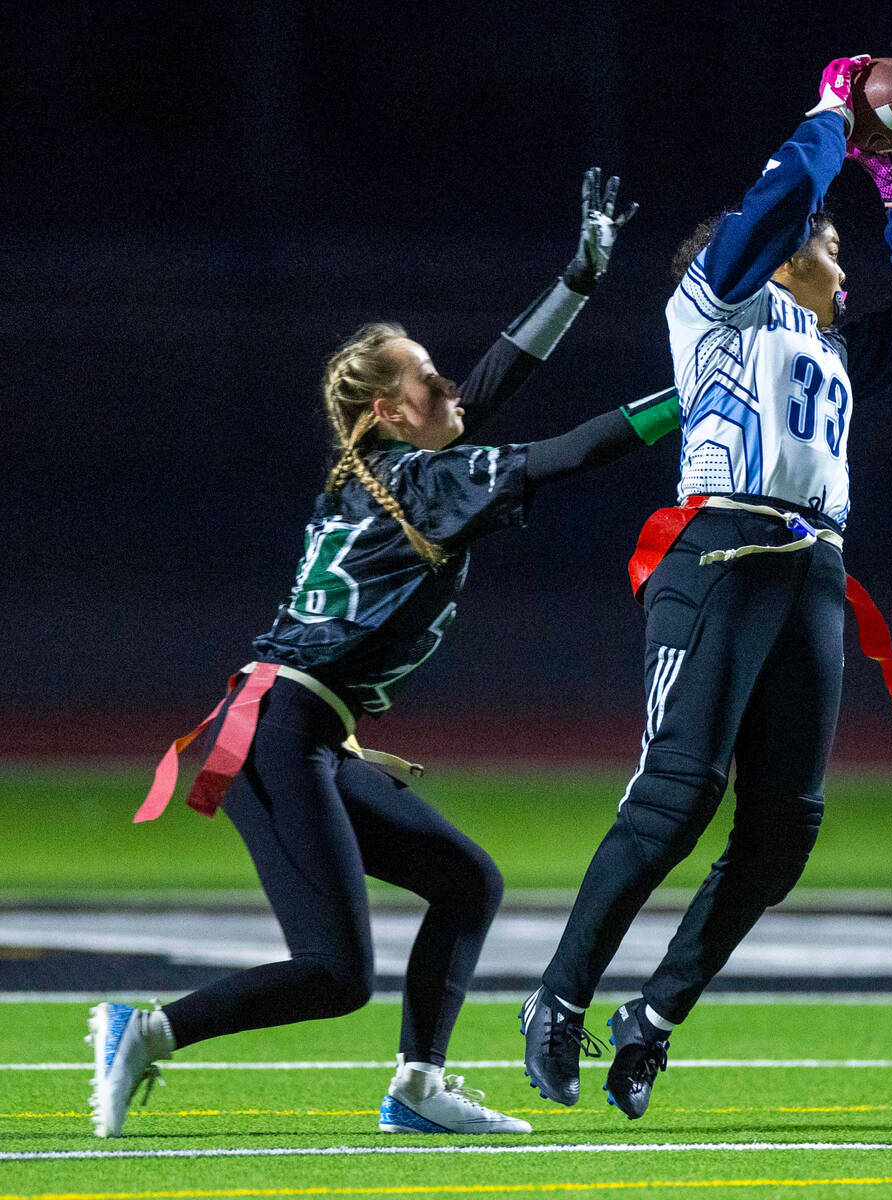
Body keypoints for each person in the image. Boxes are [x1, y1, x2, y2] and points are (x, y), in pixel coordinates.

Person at [87, 170, 681, 1139]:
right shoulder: (422, 483)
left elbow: (481, 388)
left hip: (301, 727)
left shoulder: (379, 478)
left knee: (466, 882)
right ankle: (143, 1029)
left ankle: (416, 1087)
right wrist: (689, 392)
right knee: (334, 973)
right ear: (385, 414)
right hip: (280, 730)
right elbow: (566, 451)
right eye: (422, 374)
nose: (445, 382)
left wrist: (574, 283)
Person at [522, 56, 892, 1119]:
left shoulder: (831, 344)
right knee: (677, 795)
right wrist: (827, 115)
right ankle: (557, 1001)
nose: (839, 255)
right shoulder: (714, 304)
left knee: (782, 829)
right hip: (718, 550)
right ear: (772, 257)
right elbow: (777, 203)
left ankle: (654, 1017)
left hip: (812, 569)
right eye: (827, 239)